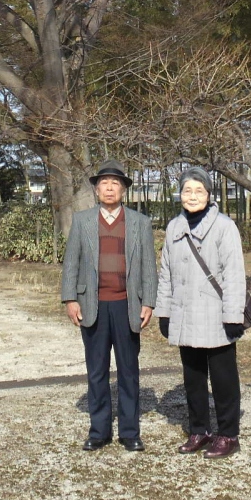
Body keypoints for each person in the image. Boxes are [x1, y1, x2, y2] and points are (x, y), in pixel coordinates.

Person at [60, 159, 157, 451]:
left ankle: (130, 432)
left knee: (129, 371)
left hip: (127, 305)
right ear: (96, 189)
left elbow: (149, 267)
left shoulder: (140, 222)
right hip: (93, 306)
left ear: (124, 190)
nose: (110, 188)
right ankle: (99, 431)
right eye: (104, 183)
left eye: (116, 183)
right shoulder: (82, 220)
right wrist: (70, 298)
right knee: (96, 371)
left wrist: (149, 302)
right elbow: (71, 262)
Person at [154, 166, 246, 459]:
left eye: (199, 191)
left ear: (209, 194)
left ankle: (228, 434)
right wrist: (164, 312)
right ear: (179, 194)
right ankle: (199, 430)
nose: (192, 196)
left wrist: (233, 316)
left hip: (216, 315)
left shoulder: (224, 227)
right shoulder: (174, 227)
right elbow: (166, 273)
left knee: (223, 378)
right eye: (187, 190)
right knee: (193, 377)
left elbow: (234, 275)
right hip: (184, 314)